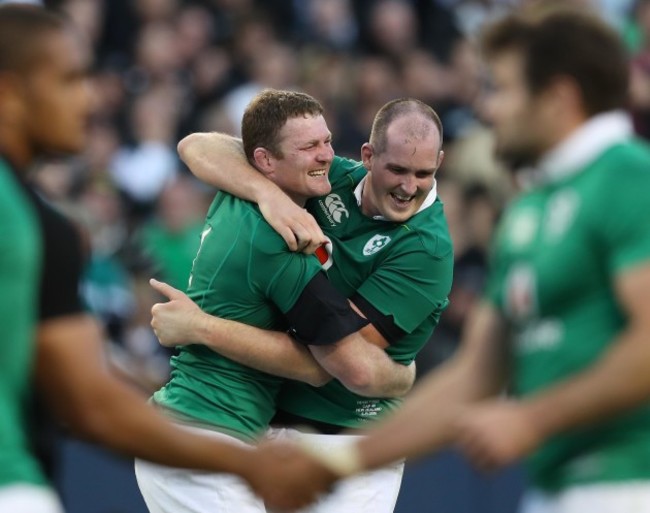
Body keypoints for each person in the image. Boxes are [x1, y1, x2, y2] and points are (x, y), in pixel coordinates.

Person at [257, 6, 650, 513]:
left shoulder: (631, 179)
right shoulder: (529, 209)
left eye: (505, 89)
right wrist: (339, 463)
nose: (489, 110)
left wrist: (533, 418)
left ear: (559, 98)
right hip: (557, 492)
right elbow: (475, 375)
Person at [0, 5, 330, 513]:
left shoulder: (48, 228)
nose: (89, 99)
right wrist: (247, 463)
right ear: (8, 92)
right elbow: (91, 405)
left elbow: (82, 384)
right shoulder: (31, 224)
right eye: (69, 79)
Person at [149, 96, 453, 512]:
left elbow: (343, 366)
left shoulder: (427, 249)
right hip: (261, 431)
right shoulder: (323, 184)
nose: (408, 187)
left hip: (347, 440)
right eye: (397, 169)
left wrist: (201, 327)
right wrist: (266, 194)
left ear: (440, 162)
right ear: (367, 156)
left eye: (424, 173)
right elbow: (195, 146)